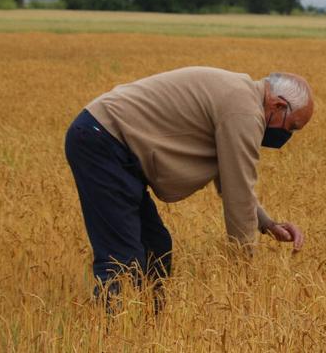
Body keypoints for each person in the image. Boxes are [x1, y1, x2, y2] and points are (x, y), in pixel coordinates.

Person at [64, 67, 312, 304]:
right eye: (291, 126)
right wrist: (242, 272)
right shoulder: (245, 111)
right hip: (102, 140)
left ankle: (149, 324)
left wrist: (268, 224)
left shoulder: (242, 97)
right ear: (278, 105)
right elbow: (238, 192)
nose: (287, 135)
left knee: (156, 247)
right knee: (122, 258)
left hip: (110, 143)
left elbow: (232, 181)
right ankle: (112, 332)